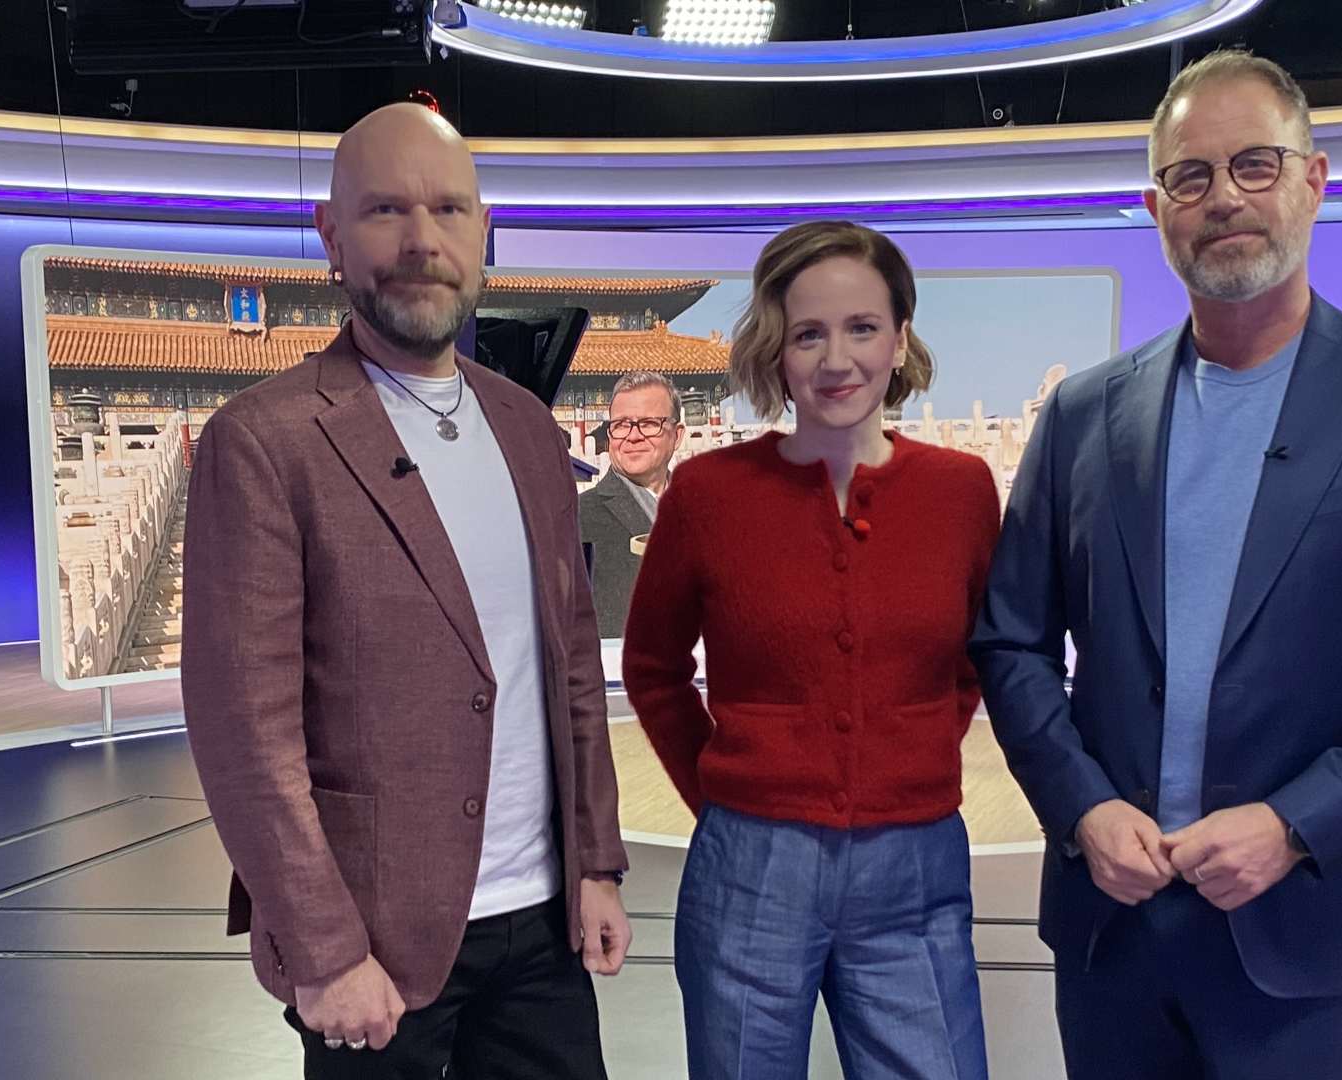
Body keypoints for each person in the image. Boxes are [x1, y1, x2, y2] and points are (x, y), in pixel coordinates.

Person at [969, 49, 1342, 1080]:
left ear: (1313, 181)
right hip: (1114, 931)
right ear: (1158, 210)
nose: (1223, 197)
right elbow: (1011, 641)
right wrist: (1082, 806)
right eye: (1191, 176)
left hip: (1312, 929)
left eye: (1254, 165)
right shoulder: (1083, 415)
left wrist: (1296, 824)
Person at [182, 102, 632, 1080]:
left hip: (542, 929)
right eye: (386, 209)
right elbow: (245, 732)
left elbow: (570, 667)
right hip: (373, 946)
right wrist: (323, 950)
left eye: (449, 210)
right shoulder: (263, 441)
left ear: (482, 234)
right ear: (332, 238)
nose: (423, 240)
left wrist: (596, 861)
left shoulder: (528, 430)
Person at [622, 220, 998, 1080]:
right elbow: (653, 668)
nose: (837, 359)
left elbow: (976, 660)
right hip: (749, 866)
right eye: (808, 334)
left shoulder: (961, 492)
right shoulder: (708, 494)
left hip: (915, 867)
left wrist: (909, 757)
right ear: (777, 350)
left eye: (862, 327)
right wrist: (725, 792)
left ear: (900, 338)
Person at [577, 371, 682, 637]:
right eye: (622, 425)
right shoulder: (576, 518)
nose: (633, 436)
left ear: (677, 435)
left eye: (648, 423)